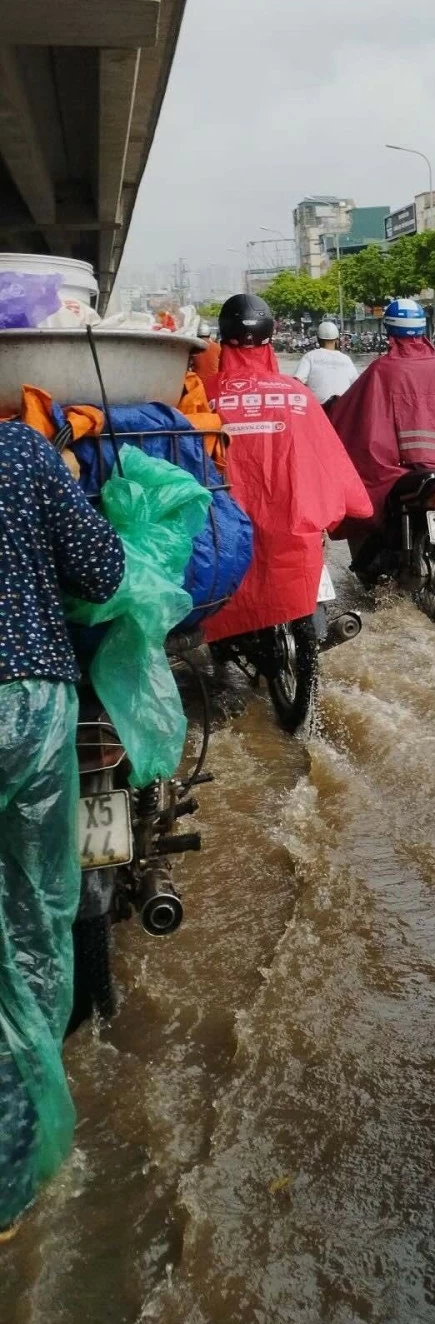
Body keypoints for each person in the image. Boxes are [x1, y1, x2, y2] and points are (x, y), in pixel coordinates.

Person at [0, 422, 125, 1234]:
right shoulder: (21, 451)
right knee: (35, 923)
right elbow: (104, 570)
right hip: (29, 704)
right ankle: (18, 1164)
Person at [202, 295, 372, 647]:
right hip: (294, 519)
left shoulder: (202, 395)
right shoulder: (297, 394)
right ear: (271, 339)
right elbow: (329, 457)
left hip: (227, 526)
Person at [326, 298, 435, 571]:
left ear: (388, 331)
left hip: (396, 471)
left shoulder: (383, 369)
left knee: (360, 492)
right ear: (423, 329)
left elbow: (353, 415)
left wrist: (332, 409)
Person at [294, 319, 359, 405]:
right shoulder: (346, 359)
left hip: (319, 411)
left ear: (318, 339)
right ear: (337, 340)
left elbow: (296, 382)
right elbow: (357, 385)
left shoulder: (310, 357)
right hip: (342, 409)